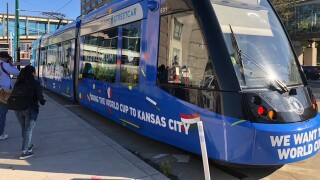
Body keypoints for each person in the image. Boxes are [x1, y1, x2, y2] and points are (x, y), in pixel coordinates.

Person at [13, 65, 46, 159]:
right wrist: (42, 102)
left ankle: (29, 145)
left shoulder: (18, 83)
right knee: (28, 130)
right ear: (32, 73)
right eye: (35, 72)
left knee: (24, 128)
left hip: (18, 109)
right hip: (30, 109)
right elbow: (40, 97)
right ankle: (24, 152)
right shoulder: (35, 83)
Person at [0, 52, 20, 140]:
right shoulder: (4, 65)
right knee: (2, 113)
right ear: (5, 58)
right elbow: (17, 73)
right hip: (3, 93)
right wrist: (12, 65)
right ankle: (0, 134)